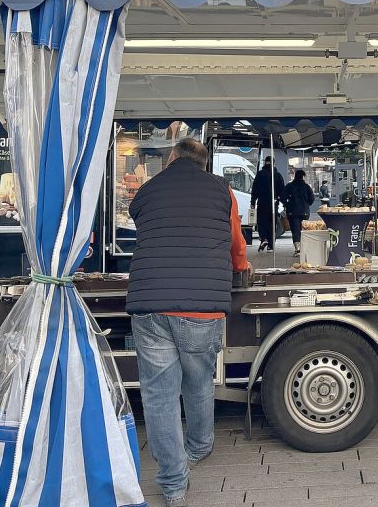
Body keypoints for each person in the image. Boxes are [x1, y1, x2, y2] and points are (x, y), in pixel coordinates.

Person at [126, 138, 251, 507]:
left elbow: (141, 223)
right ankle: (199, 447)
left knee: (159, 395)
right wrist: (241, 268)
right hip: (202, 306)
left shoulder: (148, 189)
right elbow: (236, 243)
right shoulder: (222, 190)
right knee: (198, 381)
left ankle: (173, 485)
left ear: (171, 158)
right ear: (204, 163)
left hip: (150, 304)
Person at [250, 156, 284, 251]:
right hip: (274, 203)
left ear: (265, 162)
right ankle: (271, 246)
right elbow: (282, 190)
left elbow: (255, 189)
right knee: (272, 224)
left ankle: (264, 238)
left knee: (261, 222)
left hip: (262, 202)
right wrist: (280, 200)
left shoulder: (260, 174)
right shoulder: (278, 175)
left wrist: (253, 202)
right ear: (273, 163)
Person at [281, 169, 316, 255]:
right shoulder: (307, 187)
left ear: (295, 176)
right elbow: (312, 199)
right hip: (304, 211)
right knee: (304, 229)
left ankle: (298, 248)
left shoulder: (289, 186)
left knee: (295, 230)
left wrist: (287, 203)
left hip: (292, 212)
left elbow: (282, 197)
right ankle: (305, 247)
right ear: (303, 177)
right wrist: (307, 204)